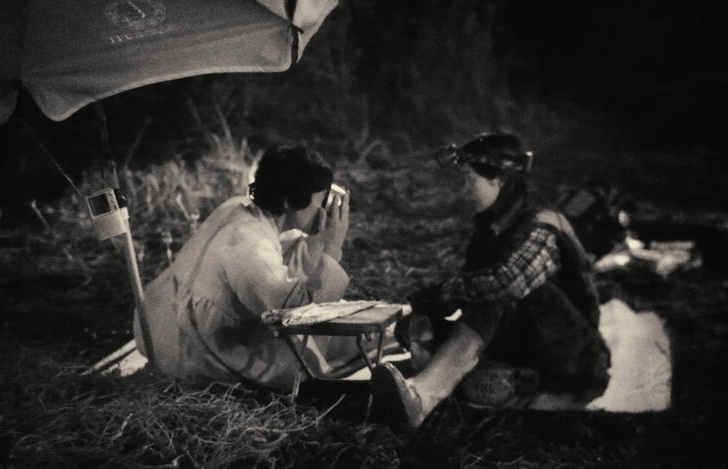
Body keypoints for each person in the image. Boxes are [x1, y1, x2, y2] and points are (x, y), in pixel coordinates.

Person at [371, 133, 611, 430]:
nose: (463, 188)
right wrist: (430, 308)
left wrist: (444, 293)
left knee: (493, 296)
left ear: (497, 180)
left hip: (575, 359)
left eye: (469, 180)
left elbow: (506, 283)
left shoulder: (540, 225)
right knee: (427, 322)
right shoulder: (495, 224)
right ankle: (500, 382)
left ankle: (422, 395)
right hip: (533, 343)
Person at [134, 145, 368, 390]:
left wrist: (319, 236)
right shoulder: (249, 245)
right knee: (304, 367)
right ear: (290, 201)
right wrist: (333, 246)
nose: (324, 209)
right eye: (320, 200)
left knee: (347, 330)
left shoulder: (240, 208)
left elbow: (286, 257)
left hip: (158, 325)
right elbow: (300, 314)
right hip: (192, 347)